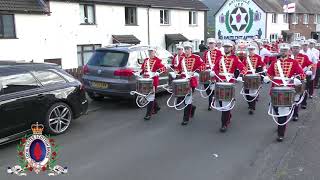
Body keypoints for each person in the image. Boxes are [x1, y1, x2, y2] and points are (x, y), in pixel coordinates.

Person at [264, 43, 304, 142]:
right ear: (280, 51)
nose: (283, 52)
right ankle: (280, 124)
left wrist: (297, 79)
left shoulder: (294, 62)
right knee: (276, 110)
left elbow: (301, 74)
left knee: (283, 112)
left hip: (287, 89)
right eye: (282, 50)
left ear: (289, 51)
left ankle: (280, 133)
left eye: (285, 50)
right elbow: (270, 73)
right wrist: (267, 78)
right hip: (275, 89)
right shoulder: (275, 62)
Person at [213, 40, 247, 132]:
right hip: (219, 82)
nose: (226, 48)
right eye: (225, 47)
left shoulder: (235, 58)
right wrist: (213, 73)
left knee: (225, 105)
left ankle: (224, 124)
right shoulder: (219, 58)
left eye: (228, 47)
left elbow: (243, 68)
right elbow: (215, 68)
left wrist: (240, 76)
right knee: (220, 103)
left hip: (229, 83)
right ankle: (228, 115)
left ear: (231, 48)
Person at [176, 42, 205, 126]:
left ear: (191, 49)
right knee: (182, 98)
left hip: (191, 81)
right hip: (183, 80)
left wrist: (196, 72)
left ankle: (185, 118)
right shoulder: (182, 58)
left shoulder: (196, 57)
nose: (186, 50)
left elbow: (203, 65)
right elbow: (178, 68)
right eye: (185, 49)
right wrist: (176, 72)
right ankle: (192, 108)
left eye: (188, 49)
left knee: (187, 99)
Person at [140, 47, 166, 120]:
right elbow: (143, 69)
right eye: (149, 52)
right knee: (149, 95)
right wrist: (140, 72)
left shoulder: (158, 60)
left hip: (153, 80)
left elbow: (164, 68)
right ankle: (156, 107)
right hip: (145, 80)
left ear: (155, 52)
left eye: (152, 52)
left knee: (150, 96)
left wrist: (158, 72)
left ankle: (148, 114)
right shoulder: (146, 60)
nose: (150, 53)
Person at [290, 41, 312, 120]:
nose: (295, 50)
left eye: (297, 48)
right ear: (291, 49)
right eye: (294, 48)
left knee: (299, 95)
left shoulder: (304, 56)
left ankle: (295, 113)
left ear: (299, 49)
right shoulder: (288, 57)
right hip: (289, 79)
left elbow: (310, 64)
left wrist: (307, 69)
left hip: (300, 77)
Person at [242, 44, 265, 114]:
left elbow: (262, 64)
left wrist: (261, 71)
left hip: (254, 75)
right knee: (246, 92)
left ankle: (252, 107)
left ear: (254, 50)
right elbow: (242, 66)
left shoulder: (258, 57)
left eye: (252, 49)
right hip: (246, 76)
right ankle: (250, 104)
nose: (251, 51)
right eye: (249, 50)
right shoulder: (246, 57)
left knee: (253, 92)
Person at [203, 38, 223, 111]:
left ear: (215, 44)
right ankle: (212, 99)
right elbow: (204, 62)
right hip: (207, 72)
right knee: (207, 88)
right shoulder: (206, 53)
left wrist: (215, 70)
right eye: (210, 43)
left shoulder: (219, 52)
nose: (211, 45)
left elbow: (221, 63)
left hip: (215, 72)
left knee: (214, 88)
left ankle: (211, 103)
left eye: (212, 43)